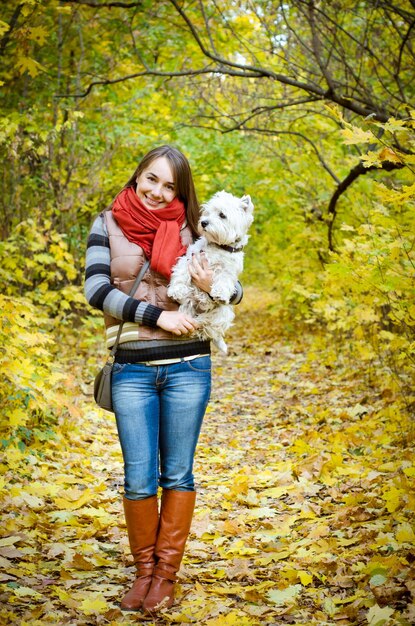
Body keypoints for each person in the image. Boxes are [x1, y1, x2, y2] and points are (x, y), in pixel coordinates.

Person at [84, 145, 242, 613]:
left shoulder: (200, 227)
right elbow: (96, 290)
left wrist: (214, 287)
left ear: (182, 191)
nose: (158, 192)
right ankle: (143, 574)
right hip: (132, 366)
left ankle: (165, 578)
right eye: (151, 179)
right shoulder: (106, 223)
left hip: (189, 366)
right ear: (137, 177)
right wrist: (158, 315)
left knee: (177, 472)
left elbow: (236, 288)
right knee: (137, 478)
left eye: (170, 186)